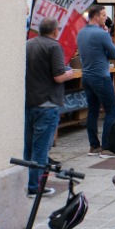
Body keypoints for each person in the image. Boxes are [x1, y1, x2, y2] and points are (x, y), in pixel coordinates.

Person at [25, 17, 75, 194]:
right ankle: (35, 187)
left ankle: (27, 183)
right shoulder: (54, 46)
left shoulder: (28, 44)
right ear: (55, 30)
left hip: (30, 101)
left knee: (28, 147)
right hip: (47, 103)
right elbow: (58, 76)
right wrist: (70, 73)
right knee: (41, 149)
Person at [77, 4, 115, 156]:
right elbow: (114, 54)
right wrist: (106, 37)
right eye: (103, 15)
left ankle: (94, 146)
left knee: (93, 112)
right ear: (96, 17)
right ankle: (107, 147)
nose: (106, 18)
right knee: (112, 110)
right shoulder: (102, 34)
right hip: (101, 76)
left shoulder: (81, 32)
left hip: (87, 75)